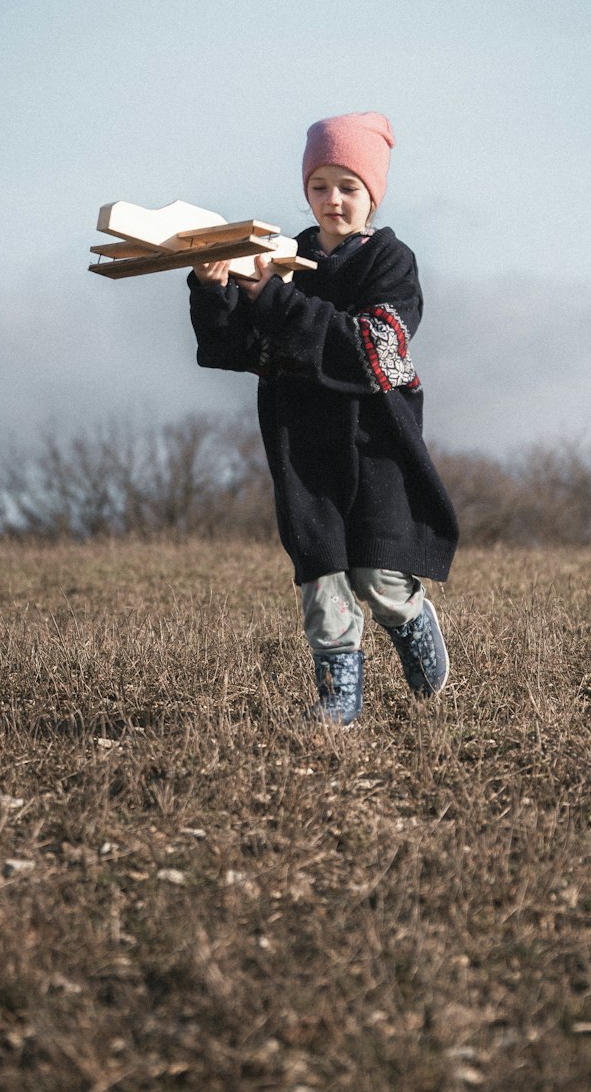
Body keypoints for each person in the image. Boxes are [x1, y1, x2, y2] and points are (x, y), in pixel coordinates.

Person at [188, 111, 459, 725]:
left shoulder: (390, 261)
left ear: (372, 194)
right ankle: (339, 700)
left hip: (376, 439)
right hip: (302, 439)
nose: (332, 200)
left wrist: (275, 300)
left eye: (348, 187)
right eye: (319, 187)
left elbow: (376, 351)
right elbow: (237, 349)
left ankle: (409, 617)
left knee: (377, 574)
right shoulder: (281, 258)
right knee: (321, 573)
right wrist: (214, 290)